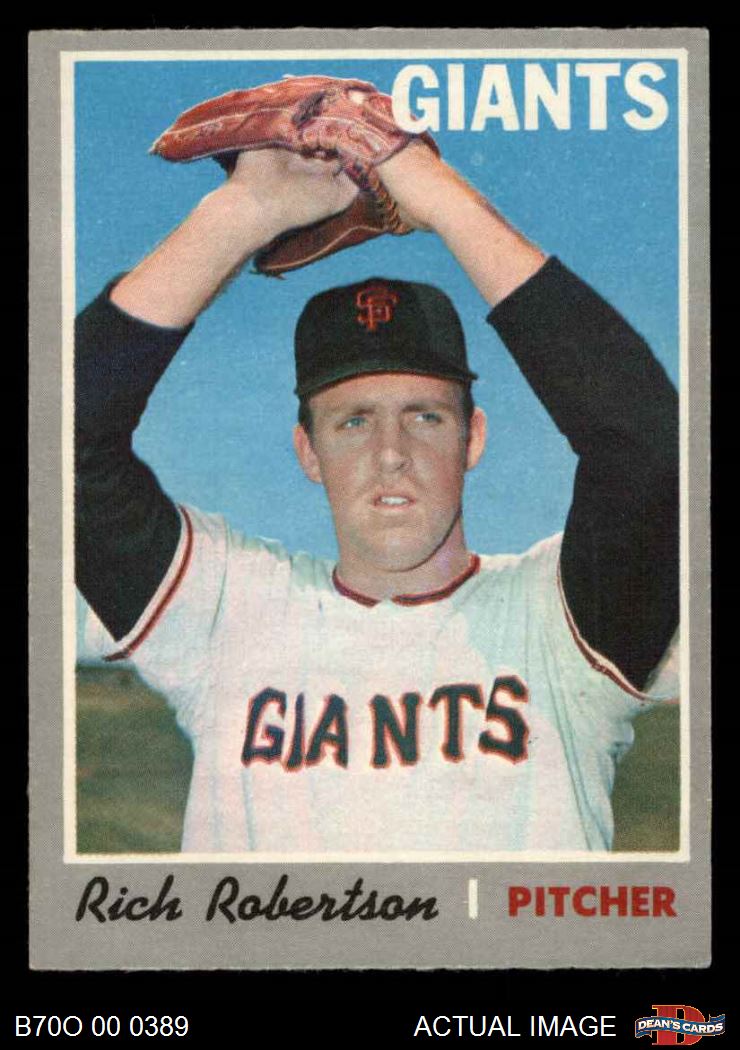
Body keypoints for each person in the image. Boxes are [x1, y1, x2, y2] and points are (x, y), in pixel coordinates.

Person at [75, 140, 679, 853]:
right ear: (308, 451)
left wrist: (444, 200)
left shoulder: (561, 621)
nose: (391, 453)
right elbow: (58, 441)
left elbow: (650, 450)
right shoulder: (228, 611)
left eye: (425, 417)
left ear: (473, 439)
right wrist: (241, 214)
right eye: (354, 421)